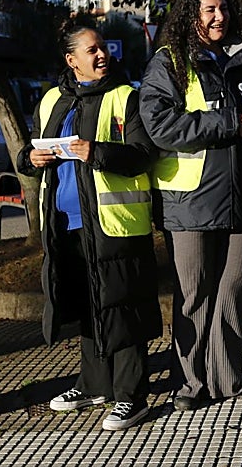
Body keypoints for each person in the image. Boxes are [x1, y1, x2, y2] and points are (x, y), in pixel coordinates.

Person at [140, 0, 242, 411]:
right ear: (190, 16)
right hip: (191, 199)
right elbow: (160, 126)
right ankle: (190, 384)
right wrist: (229, 125)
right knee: (195, 292)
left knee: (232, 288)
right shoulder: (168, 62)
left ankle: (228, 379)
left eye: (223, 8)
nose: (221, 16)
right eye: (209, 10)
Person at [17, 26, 162, 431]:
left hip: (114, 223)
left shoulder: (125, 96)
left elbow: (143, 154)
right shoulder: (51, 100)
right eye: (91, 50)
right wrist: (31, 158)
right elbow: (26, 156)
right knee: (86, 304)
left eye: (102, 49)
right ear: (71, 60)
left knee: (123, 304)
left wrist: (94, 152)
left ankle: (132, 395)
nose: (101, 55)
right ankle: (94, 384)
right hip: (65, 223)